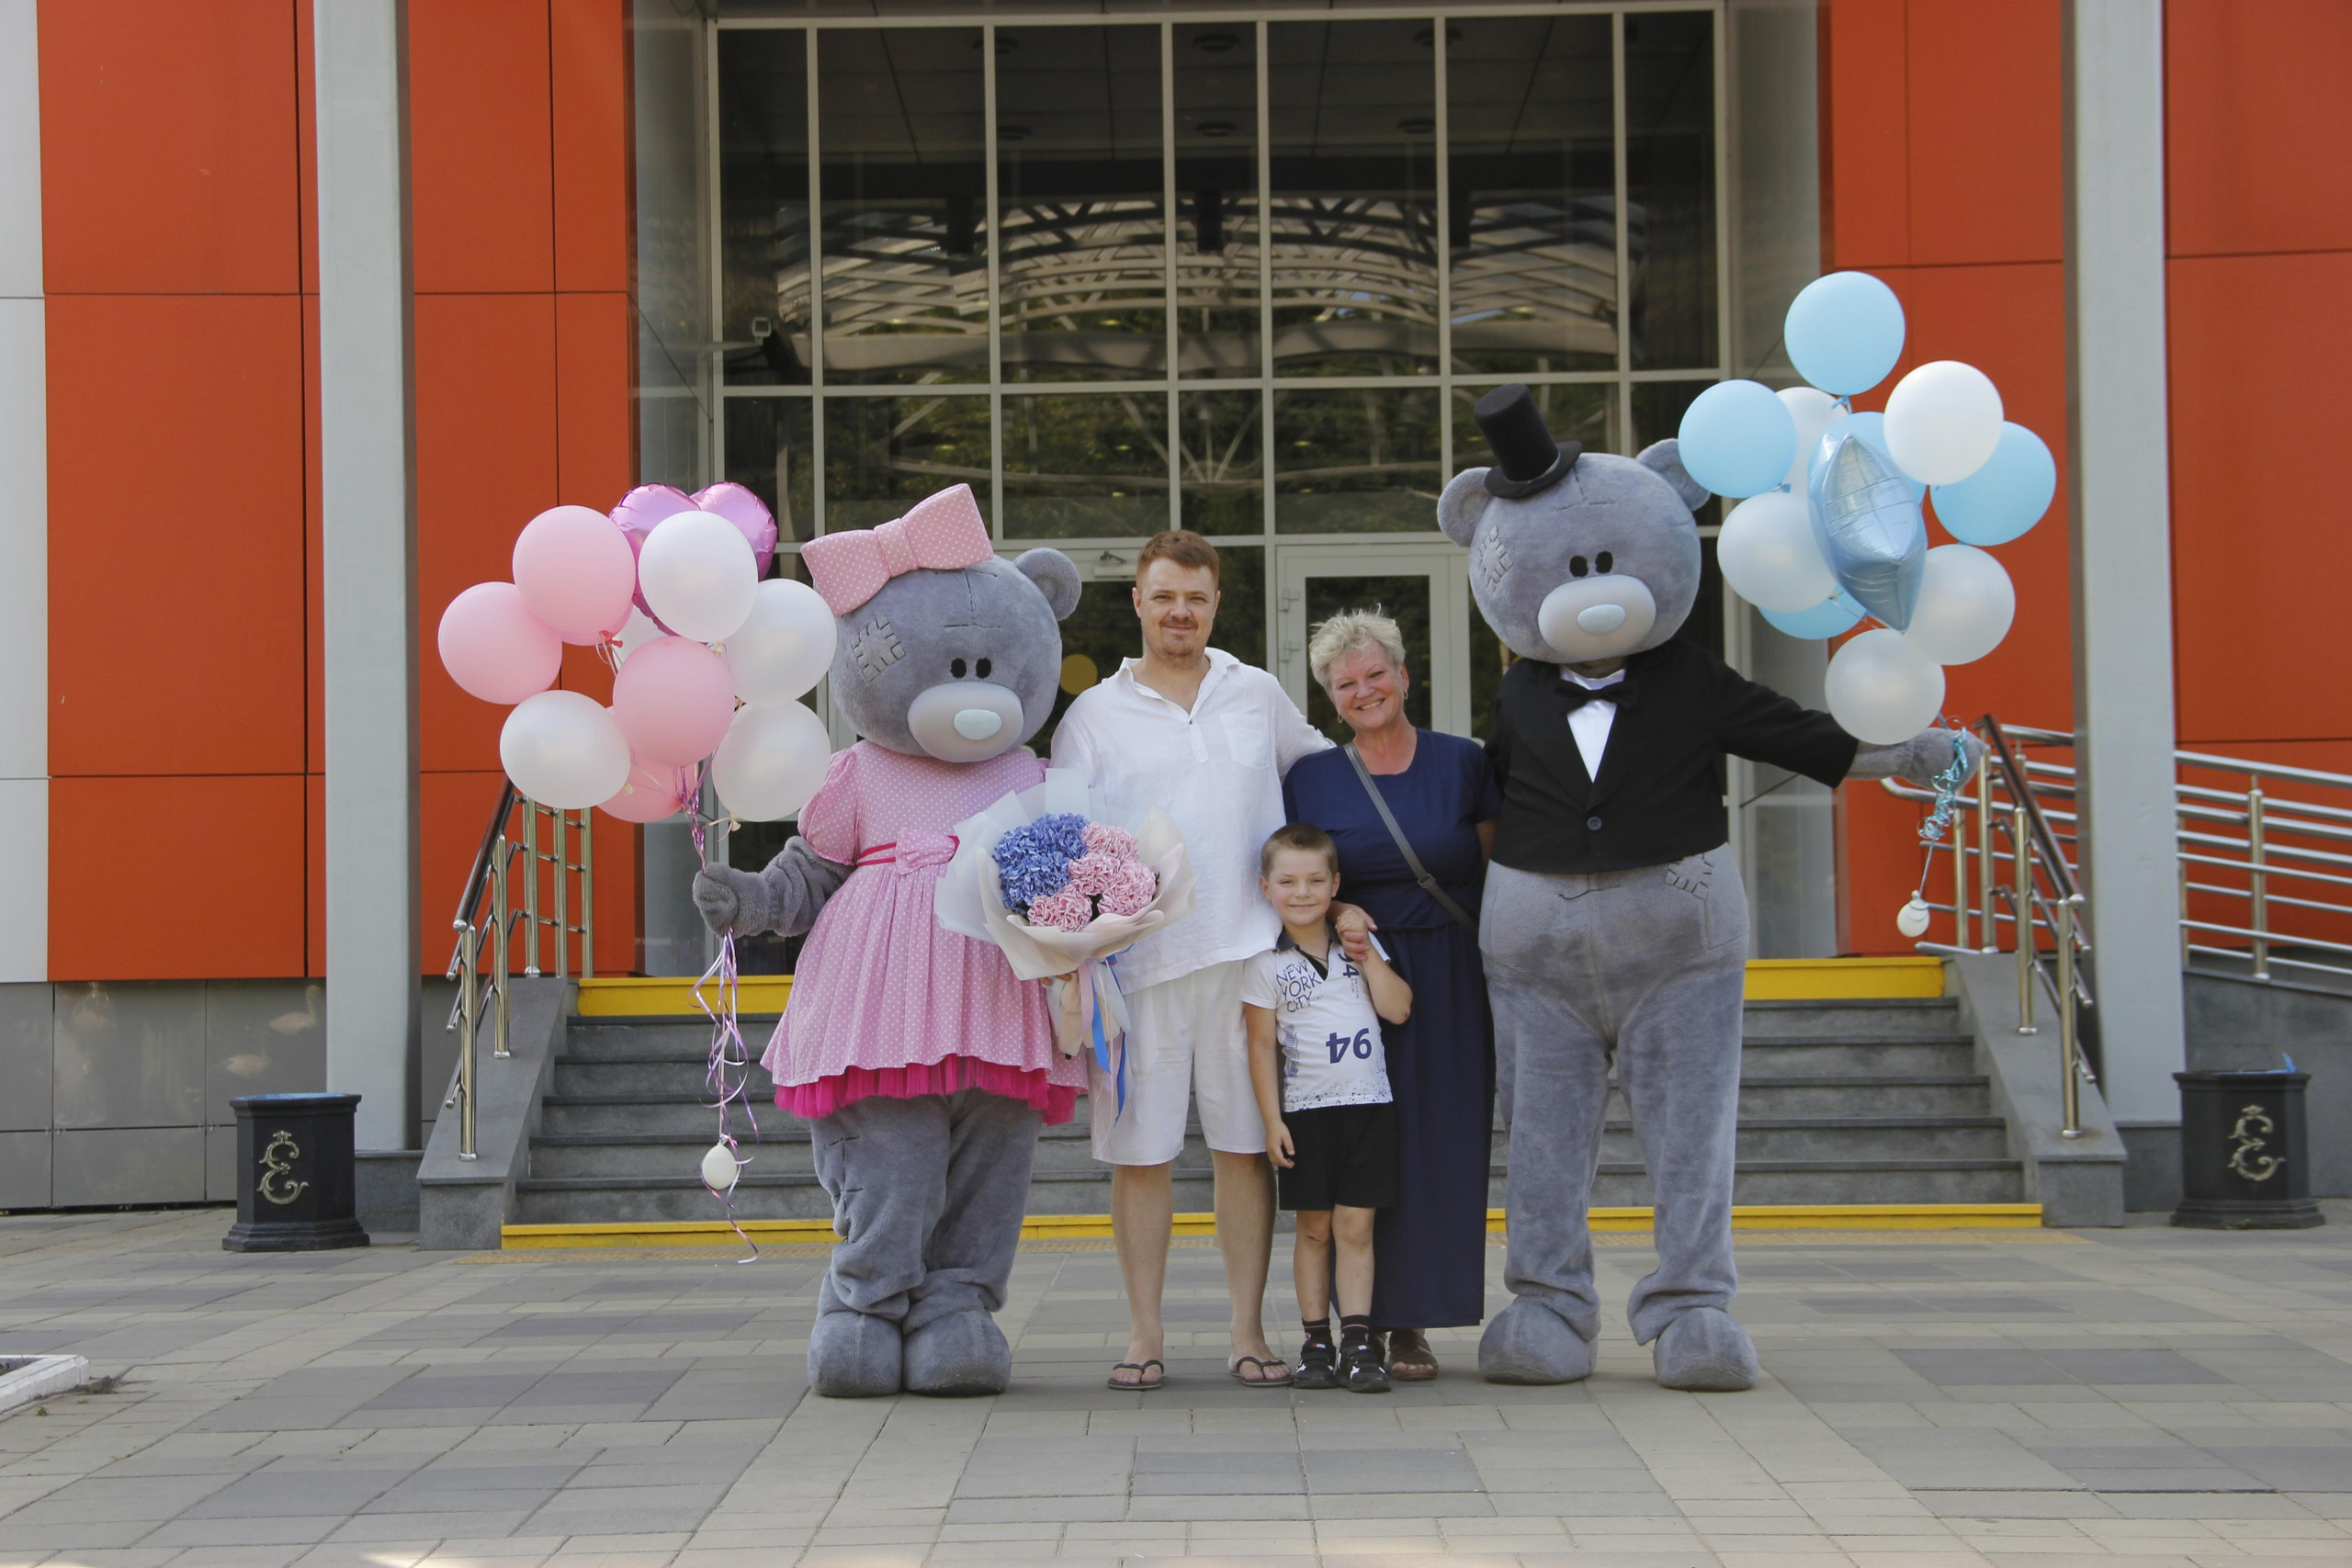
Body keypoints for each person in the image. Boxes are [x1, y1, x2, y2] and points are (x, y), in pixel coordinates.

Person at [1051, 530, 1333, 1390]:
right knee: (1142, 1155)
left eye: (1197, 598)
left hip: (1249, 959)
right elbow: (1065, 838)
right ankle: (1145, 1335)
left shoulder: (1258, 694)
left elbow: (1324, 780)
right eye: (1165, 595)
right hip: (1138, 968)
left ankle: (1249, 1333)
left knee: (1247, 1152)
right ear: (1137, 601)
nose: (1181, 611)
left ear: (1217, 604)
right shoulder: (1093, 714)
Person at [1282, 610, 1500, 1380]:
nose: (1365, 689)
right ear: (1330, 699)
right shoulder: (1311, 776)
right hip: (1354, 977)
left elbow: (1491, 871)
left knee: (1444, 1141)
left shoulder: (1464, 763)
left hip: (1451, 970)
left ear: (1406, 676)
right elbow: (1299, 877)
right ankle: (1370, 1323)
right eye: (1347, 683)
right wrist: (1340, 910)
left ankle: (1417, 1320)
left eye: (1377, 673)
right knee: (1368, 1147)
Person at [1245, 823, 1413, 1394]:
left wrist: (1367, 954)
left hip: (1369, 1105)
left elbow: (1399, 1010)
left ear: (1335, 884)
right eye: (1288, 881)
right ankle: (1315, 1341)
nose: (1302, 892)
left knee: (1356, 1225)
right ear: (1266, 887)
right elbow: (1261, 1046)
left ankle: (1360, 1343)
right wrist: (1272, 1121)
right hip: (1307, 1114)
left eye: (1317, 880)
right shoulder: (1263, 963)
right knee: (1315, 1229)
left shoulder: (1357, 943)